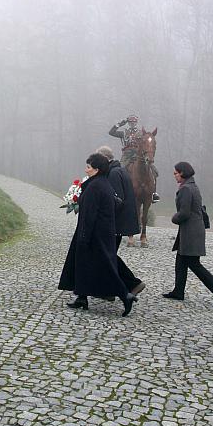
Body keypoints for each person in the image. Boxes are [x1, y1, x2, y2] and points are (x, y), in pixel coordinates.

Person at [58, 153, 137, 317]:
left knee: (104, 267)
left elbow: (90, 214)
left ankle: (125, 295)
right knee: (83, 265)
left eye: (89, 167)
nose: (86, 169)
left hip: (95, 235)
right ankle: (82, 297)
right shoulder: (100, 183)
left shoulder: (96, 187)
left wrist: (85, 236)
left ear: (97, 169)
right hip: (98, 233)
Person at [163, 161, 213, 307]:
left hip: (191, 232)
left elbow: (184, 213)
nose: (174, 176)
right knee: (181, 261)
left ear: (182, 173)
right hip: (191, 231)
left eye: (175, 173)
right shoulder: (192, 186)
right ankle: (178, 291)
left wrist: (174, 218)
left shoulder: (186, 189)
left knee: (194, 264)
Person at [96, 145, 145, 296]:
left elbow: (116, 200)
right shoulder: (119, 170)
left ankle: (132, 284)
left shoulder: (114, 173)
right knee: (107, 258)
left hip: (116, 225)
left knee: (108, 257)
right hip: (118, 224)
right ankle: (109, 291)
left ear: (105, 159)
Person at [109, 114, 160, 202]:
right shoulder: (124, 132)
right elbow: (111, 132)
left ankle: (154, 193)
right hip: (127, 154)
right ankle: (118, 192)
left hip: (138, 154)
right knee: (120, 170)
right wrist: (120, 124)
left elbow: (147, 143)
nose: (132, 123)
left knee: (153, 170)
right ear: (128, 123)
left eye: (134, 122)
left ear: (136, 122)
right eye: (130, 122)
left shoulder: (141, 133)